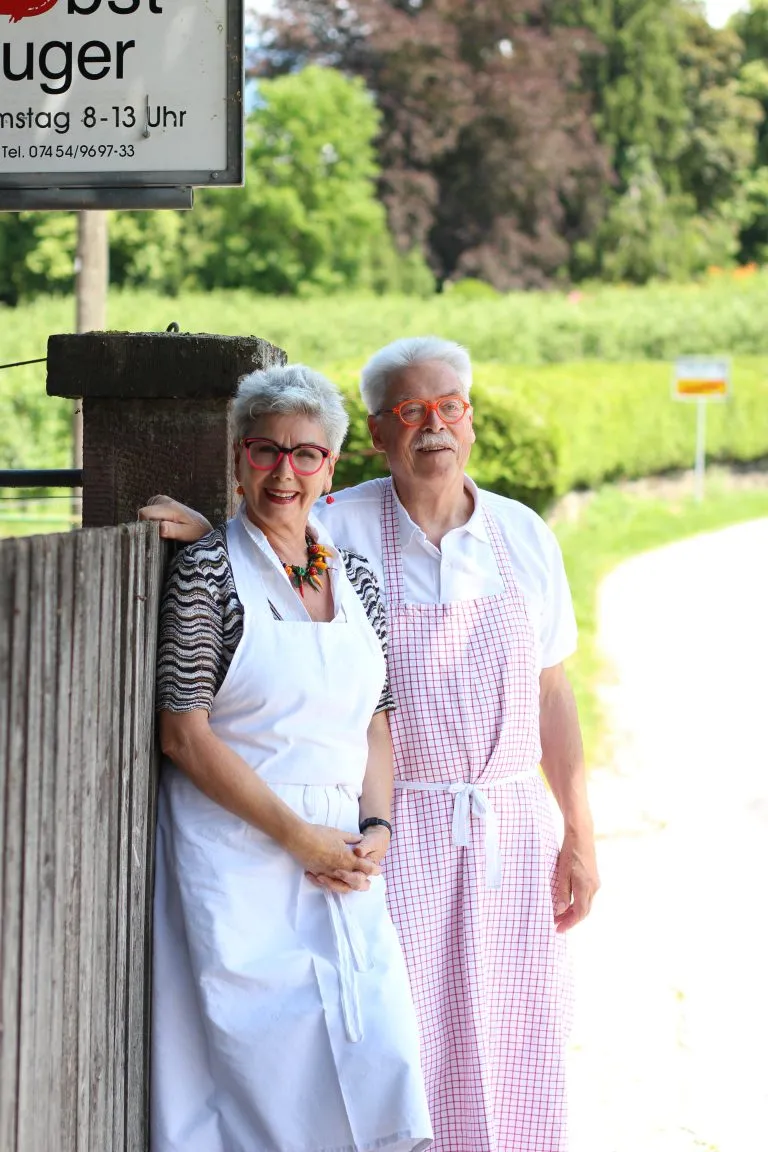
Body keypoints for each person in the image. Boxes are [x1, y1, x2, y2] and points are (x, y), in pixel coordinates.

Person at [142, 337, 599, 1152]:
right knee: (386, 1047)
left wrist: (580, 835)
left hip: (477, 831)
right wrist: (210, 529)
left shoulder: (511, 538)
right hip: (378, 836)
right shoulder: (343, 525)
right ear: (379, 437)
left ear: (470, 419)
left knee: (511, 1029)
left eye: (448, 406)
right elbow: (266, 547)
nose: (433, 426)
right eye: (409, 412)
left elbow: (546, 691)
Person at [151, 364, 433, 1152]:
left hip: (342, 859)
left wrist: (375, 823)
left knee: (380, 1057)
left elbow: (376, 719)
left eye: (306, 455)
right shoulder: (208, 572)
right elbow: (185, 735)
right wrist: (293, 835)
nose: (285, 472)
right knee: (264, 1092)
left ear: (331, 467)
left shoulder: (359, 580)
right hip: (238, 858)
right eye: (266, 451)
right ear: (239, 460)